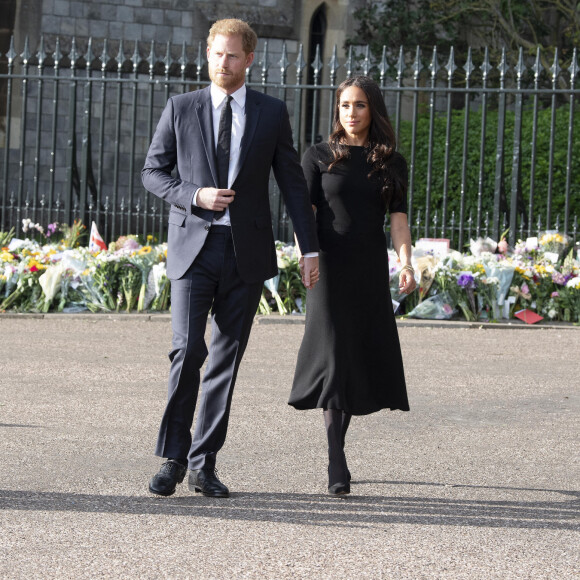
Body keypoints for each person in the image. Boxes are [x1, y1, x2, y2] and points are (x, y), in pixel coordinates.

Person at [142, 18, 319, 498]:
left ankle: (204, 463)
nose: (224, 63)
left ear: (250, 59)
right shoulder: (181, 107)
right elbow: (153, 173)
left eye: (233, 55)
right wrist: (195, 193)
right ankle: (173, 458)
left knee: (226, 358)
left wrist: (309, 246)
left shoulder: (271, 111)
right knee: (186, 351)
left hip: (246, 253)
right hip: (193, 248)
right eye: (217, 54)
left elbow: (293, 186)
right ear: (207, 55)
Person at [289, 76, 416, 496]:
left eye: (359, 105)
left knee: (356, 356)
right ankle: (335, 460)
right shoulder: (318, 156)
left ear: (372, 110)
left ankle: (336, 449)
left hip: (366, 266)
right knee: (332, 356)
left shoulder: (390, 162)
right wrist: (305, 253)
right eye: (344, 105)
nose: (351, 113)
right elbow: (303, 210)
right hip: (327, 264)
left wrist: (406, 262)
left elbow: (398, 219)